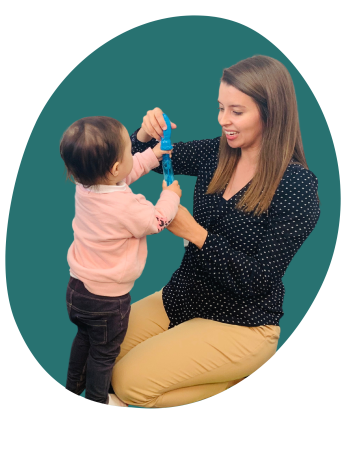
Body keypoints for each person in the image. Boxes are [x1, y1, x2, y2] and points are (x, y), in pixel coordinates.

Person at [109, 55, 321, 408]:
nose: (224, 120)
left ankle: (235, 379)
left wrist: (195, 232)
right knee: (99, 352)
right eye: (221, 108)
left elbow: (259, 280)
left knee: (128, 384)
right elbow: (126, 166)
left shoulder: (297, 187)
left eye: (237, 112)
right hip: (182, 298)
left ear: (271, 113)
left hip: (242, 321)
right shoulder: (218, 152)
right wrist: (143, 134)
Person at [59, 116, 182, 405]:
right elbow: (157, 220)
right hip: (107, 301)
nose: (133, 155)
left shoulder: (86, 186)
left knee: (83, 340)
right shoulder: (127, 207)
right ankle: (99, 399)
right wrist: (170, 196)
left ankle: (72, 386)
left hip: (77, 290)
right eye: (130, 151)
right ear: (115, 167)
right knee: (104, 355)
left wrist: (152, 155)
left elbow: (126, 172)